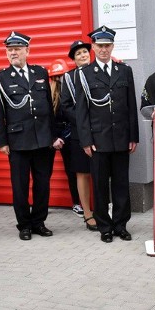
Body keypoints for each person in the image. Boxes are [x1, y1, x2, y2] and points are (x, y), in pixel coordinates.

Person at [74, 26, 139, 243]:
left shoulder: (124, 71)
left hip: (121, 138)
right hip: (98, 140)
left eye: (107, 45)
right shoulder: (83, 74)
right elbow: (81, 112)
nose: (103, 49)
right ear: (93, 47)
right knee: (100, 186)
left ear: (112, 46)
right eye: (99, 46)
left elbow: (131, 106)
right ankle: (105, 227)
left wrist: (133, 136)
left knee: (121, 184)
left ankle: (121, 225)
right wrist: (86, 140)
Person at [0, 31, 54, 241]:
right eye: (9, 50)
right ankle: (24, 225)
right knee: (20, 186)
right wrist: (1, 141)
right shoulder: (0, 78)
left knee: (42, 184)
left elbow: (48, 106)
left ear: (27, 50)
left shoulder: (40, 72)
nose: (13, 53)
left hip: (43, 138)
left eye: (17, 49)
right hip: (17, 140)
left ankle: (39, 222)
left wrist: (53, 135)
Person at [60, 40, 98, 232]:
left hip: (100, 132)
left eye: (84, 52)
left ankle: (101, 210)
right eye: (78, 54)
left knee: (100, 172)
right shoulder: (68, 78)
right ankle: (87, 212)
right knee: (82, 173)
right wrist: (85, 123)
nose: (83, 55)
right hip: (79, 133)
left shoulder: (97, 72)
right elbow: (66, 106)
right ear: (73, 59)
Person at [47, 59, 83, 218]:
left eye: (62, 75)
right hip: (51, 137)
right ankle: (42, 205)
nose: (60, 80)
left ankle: (77, 202)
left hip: (68, 136)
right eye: (57, 77)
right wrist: (54, 138)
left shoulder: (72, 91)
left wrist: (65, 137)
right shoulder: (47, 95)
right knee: (44, 173)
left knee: (73, 171)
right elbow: (44, 119)